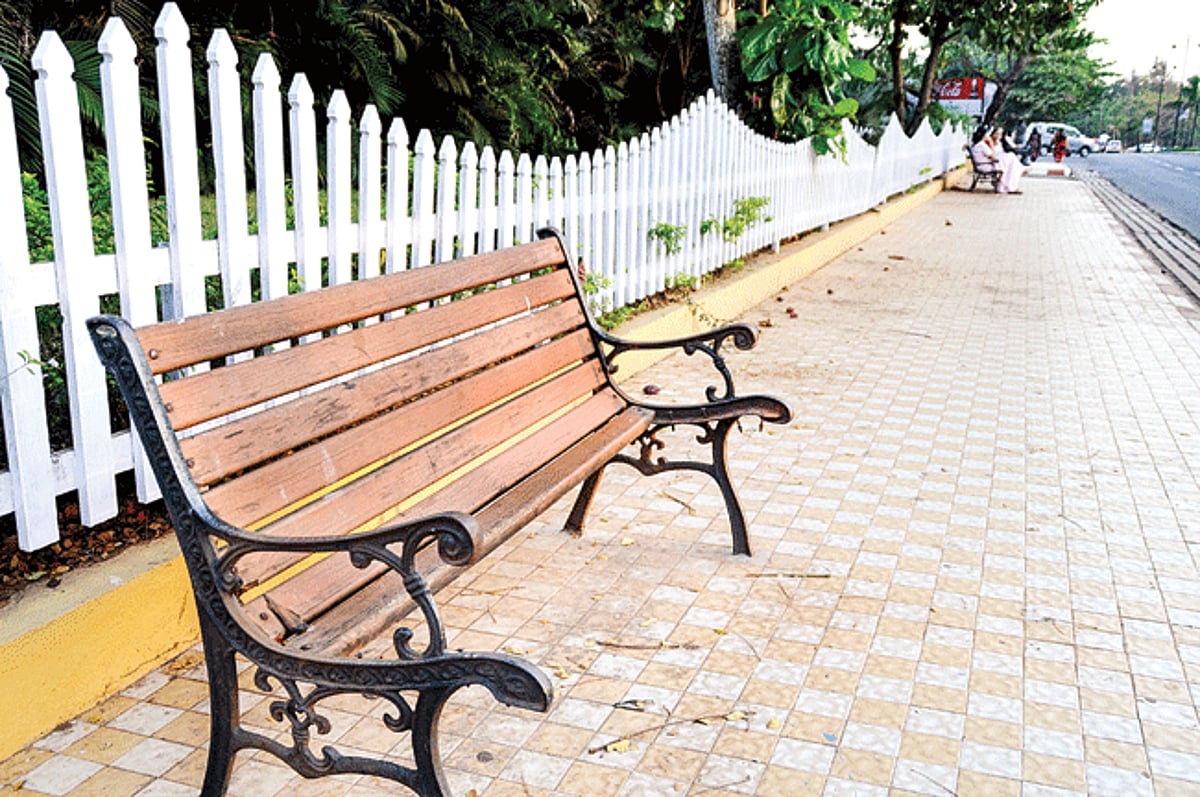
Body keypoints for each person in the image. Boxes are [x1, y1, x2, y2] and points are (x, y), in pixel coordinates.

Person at [980, 126, 1027, 194]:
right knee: (1011, 158)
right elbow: (992, 154)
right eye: (997, 134)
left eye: (1000, 134)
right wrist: (991, 144)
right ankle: (1020, 169)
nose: (998, 136)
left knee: (1011, 162)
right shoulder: (987, 141)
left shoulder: (999, 142)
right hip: (995, 161)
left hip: (1000, 159)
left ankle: (1011, 185)